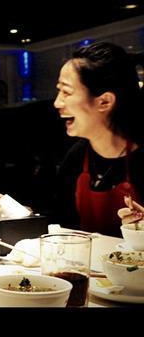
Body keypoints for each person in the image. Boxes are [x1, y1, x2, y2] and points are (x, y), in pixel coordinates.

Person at [51, 42, 143, 236]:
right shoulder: (75, 158)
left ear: (105, 102)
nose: (57, 103)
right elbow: (60, 226)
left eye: (66, 92)